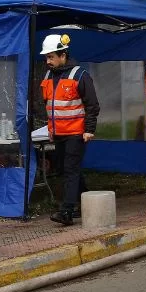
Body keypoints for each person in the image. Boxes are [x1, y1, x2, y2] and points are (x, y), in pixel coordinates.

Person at [37, 33, 99, 226]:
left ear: (63, 55)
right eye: (46, 57)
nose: (48, 61)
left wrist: (89, 129)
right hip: (58, 132)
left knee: (70, 170)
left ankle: (67, 211)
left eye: (51, 57)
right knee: (69, 169)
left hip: (76, 132)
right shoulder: (48, 76)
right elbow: (49, 105)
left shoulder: (80, 75)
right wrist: (50, 128)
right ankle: (87, 202)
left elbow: (92, 105)